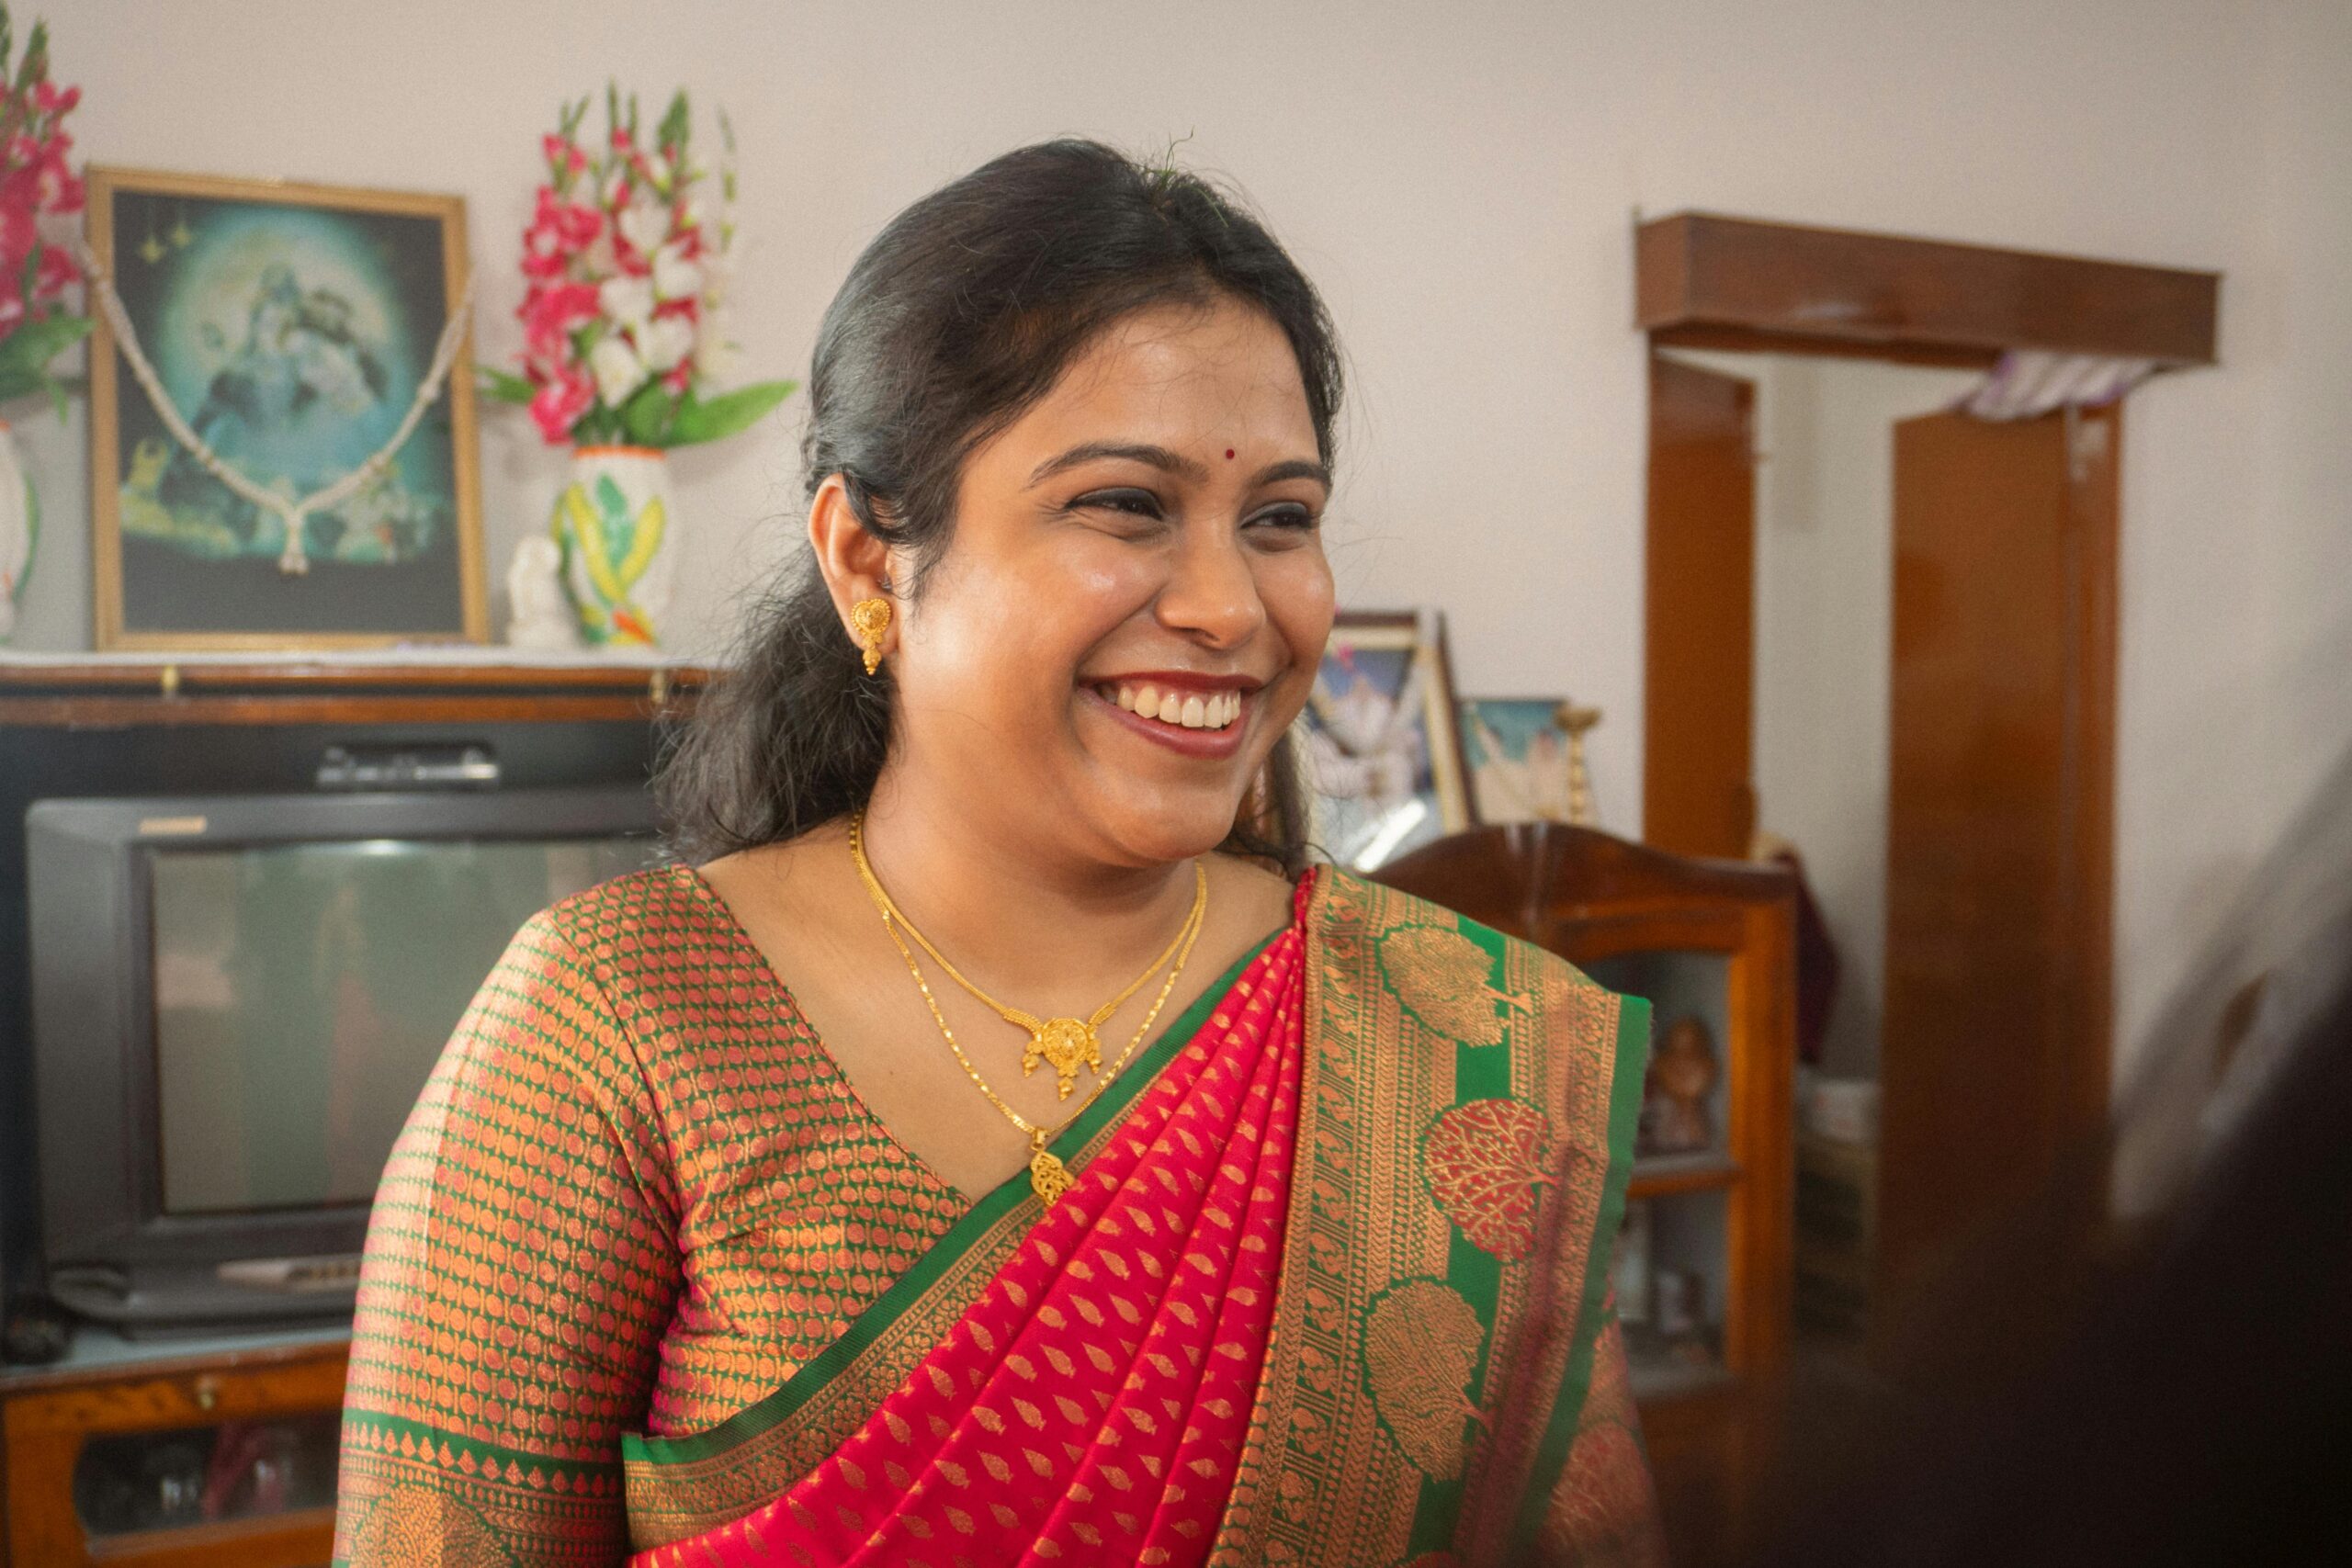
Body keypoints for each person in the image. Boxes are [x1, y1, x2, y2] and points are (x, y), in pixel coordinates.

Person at [333, 139, 1661, 1568]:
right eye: (1125, 505)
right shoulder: (616, 1026)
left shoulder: (1444, 1044)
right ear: (865, 561)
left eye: (1280, 518)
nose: (1229, 606)